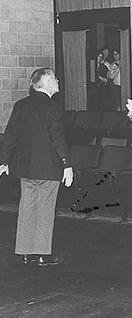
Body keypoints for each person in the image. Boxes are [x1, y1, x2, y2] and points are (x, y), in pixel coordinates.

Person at [0, 67, 73, 266]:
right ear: (48, 83)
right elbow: (57, 137)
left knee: (27, 207)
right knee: (45, 209)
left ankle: (25, 252)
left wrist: (4, 161)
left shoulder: (21, 105)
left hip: (25, 167)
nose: (58, 81)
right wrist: (67, 164)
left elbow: (10, 135)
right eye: (55, 79)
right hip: (48, 168)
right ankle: (42, 253)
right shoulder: (52, 106)